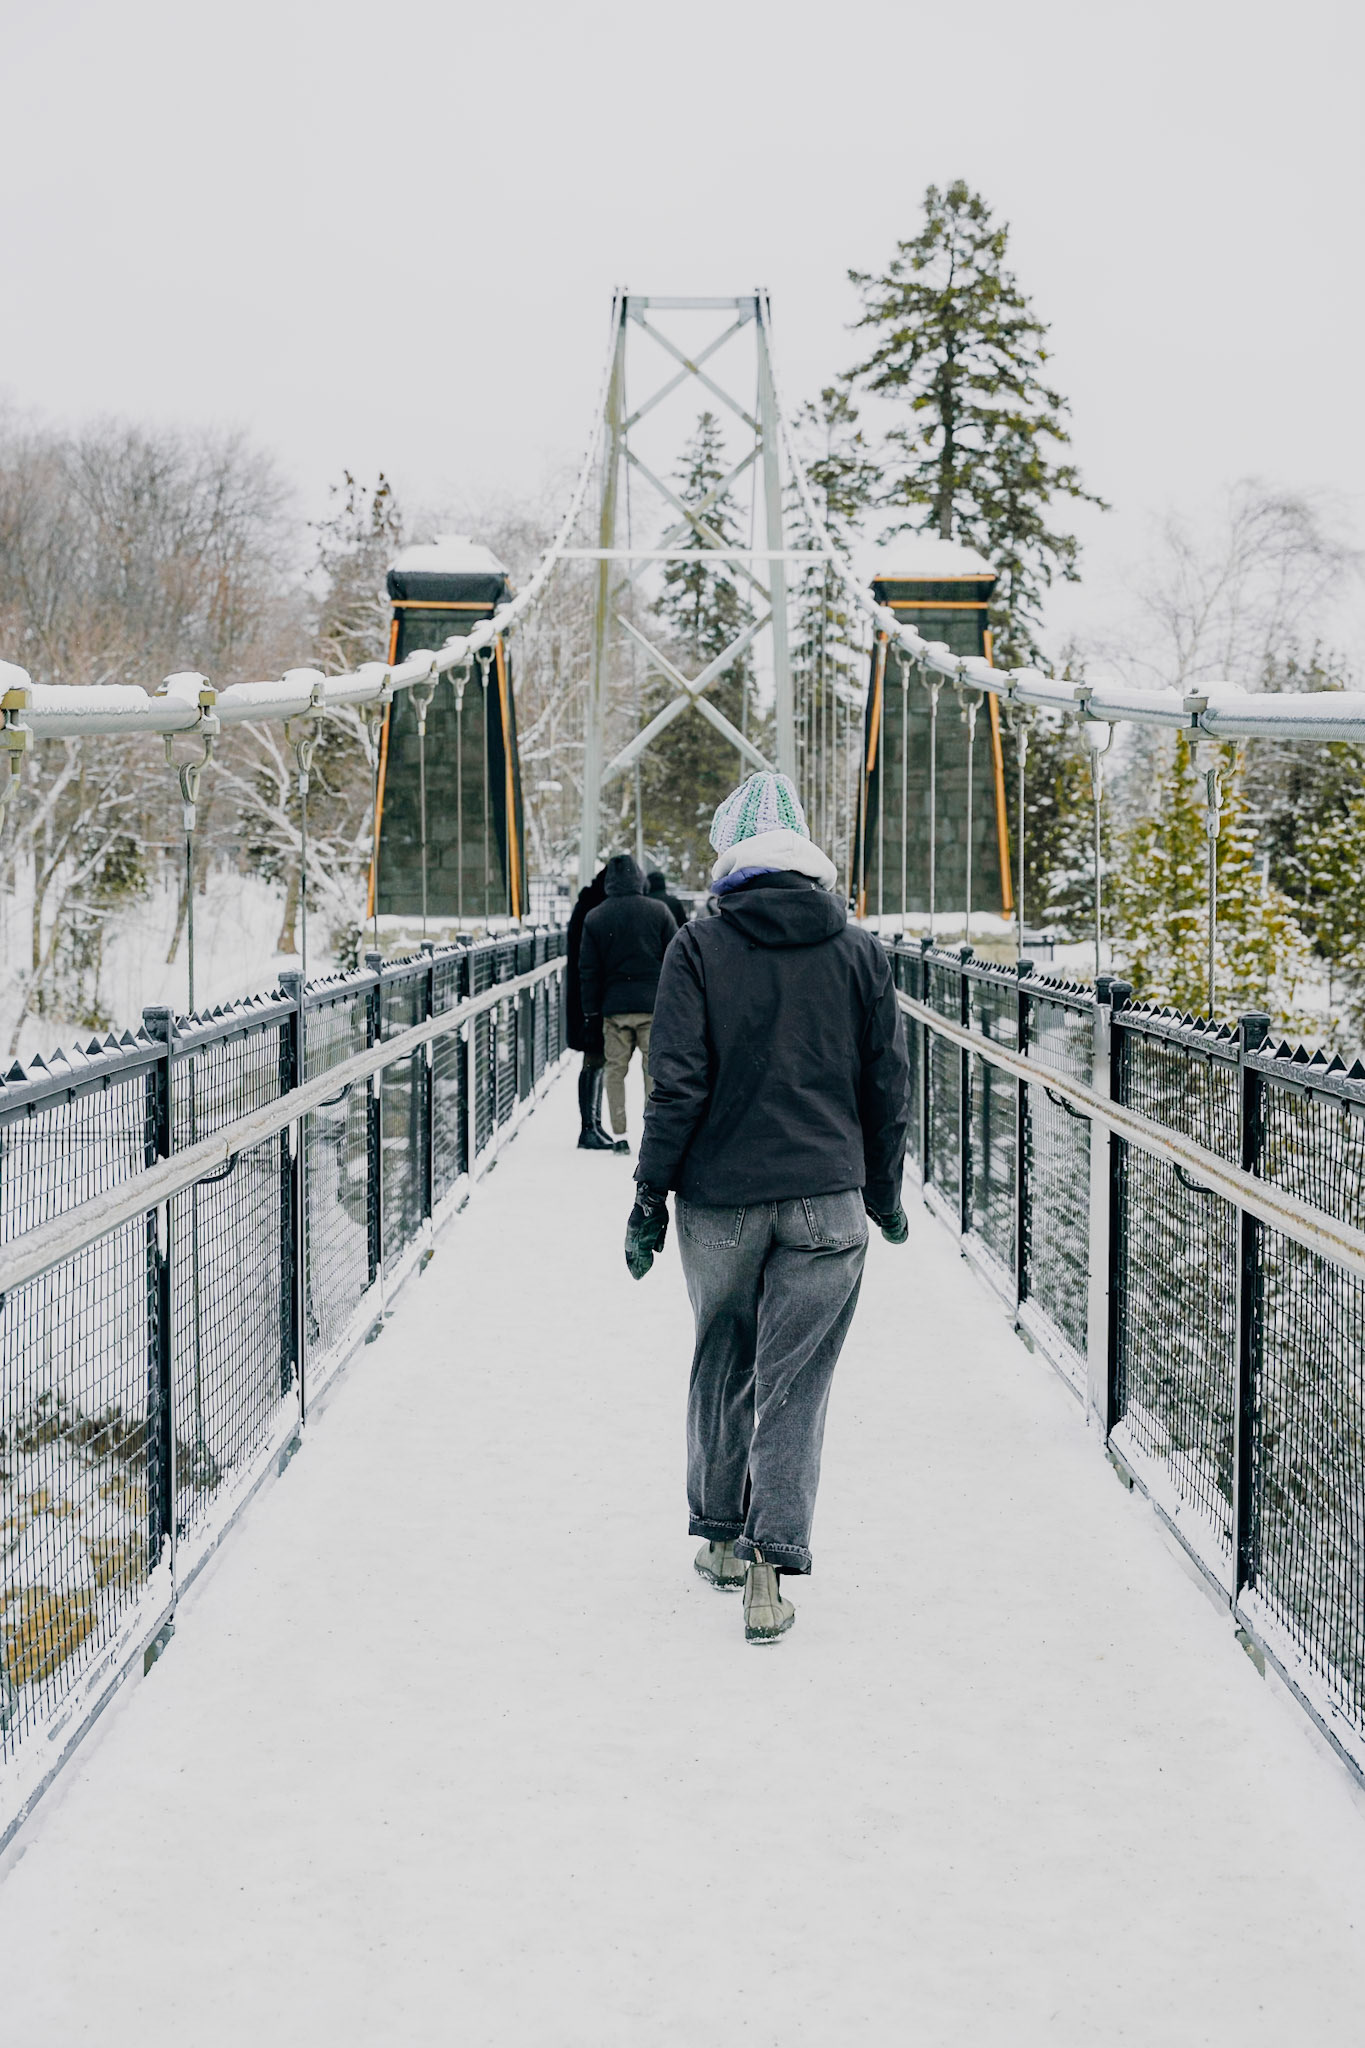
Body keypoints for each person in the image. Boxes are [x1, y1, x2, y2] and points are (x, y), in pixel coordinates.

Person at [624, 771, 909, 1646]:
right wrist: (885, 1196)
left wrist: (647, 1200)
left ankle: (716, 1536)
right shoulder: (860, 951)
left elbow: (676, 1084)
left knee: (723, 1357)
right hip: (827, 1199)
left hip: (718, 1200)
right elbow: (884, 1087)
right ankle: (768, 1567)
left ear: (728, 856)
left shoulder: (697, 946)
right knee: (796, 1382)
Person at [579, 854, 677, 1150]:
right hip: (652, 1006)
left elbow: (589, 971)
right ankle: (652, 1133)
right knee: (652, 1072)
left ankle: (620, 1134)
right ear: (639, 879)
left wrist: (591, 1010)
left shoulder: (596, 917)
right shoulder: (658, 911)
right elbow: (675, 957)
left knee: (615, 1071)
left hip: (614, 1009)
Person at [565, 866, 613, 1151]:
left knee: (596, 1061)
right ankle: (588, 1128)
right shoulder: (592, 910)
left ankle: (593, 1125)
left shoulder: (586, 905)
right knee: (593, 1061)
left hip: (584, 996)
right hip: (588, 999)